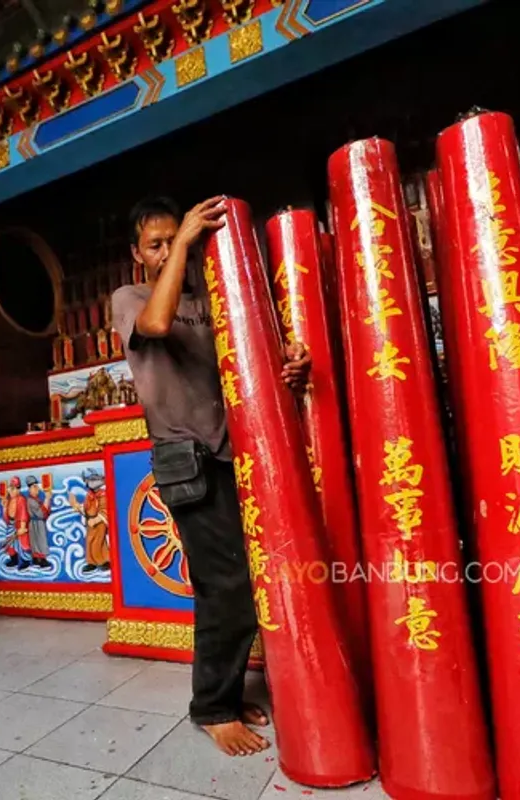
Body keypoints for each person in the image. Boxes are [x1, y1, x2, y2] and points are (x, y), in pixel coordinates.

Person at [111, 195, 311, 757]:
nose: (166, 251)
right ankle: (213, 707)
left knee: (239, 581)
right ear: (138, 254)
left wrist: (292, 361)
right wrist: (181, 245)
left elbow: (256, 360)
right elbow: (157, 324)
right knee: (229, 585)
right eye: (155, 244)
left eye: (173, 240)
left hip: (237, 455)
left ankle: (224, 692)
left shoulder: (214, 301)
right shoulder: (132, 298)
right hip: (186, 461)